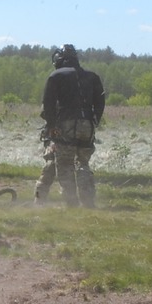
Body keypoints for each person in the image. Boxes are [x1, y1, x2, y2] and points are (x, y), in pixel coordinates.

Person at [36, 44, 105, 207]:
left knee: (65, 164)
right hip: (87, 125)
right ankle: (88, 201)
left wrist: (51, 124)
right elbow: (100, 101)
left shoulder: (56, 76)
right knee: (83, 163)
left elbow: (48, 103)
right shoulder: (92, 77)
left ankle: (71, 202)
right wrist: (95, 120)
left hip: (65, 124)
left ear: (60, 59)